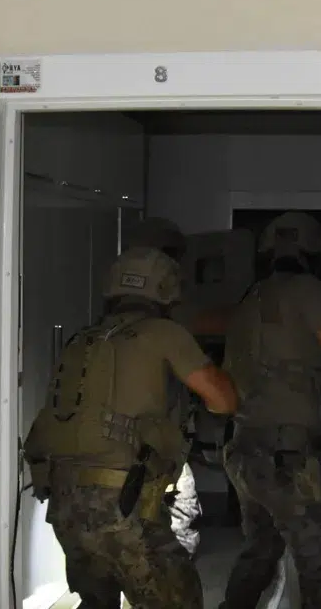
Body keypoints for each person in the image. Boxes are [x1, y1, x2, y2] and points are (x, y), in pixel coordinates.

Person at [22, 246, 238, 608]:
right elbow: (223, 400)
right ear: (167, 290)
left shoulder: (82, 339)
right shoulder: (165, 333)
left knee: (97, 600)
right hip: (121, 504)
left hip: (64, 502)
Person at [219, 211, 321, 609]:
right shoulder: (308, 290)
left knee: (261, 548)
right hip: (287, 451)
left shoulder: (250, 298)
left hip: (245, 447)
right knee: (317, 557)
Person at [123, 215, 205, 558]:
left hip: (120, 448)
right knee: (178, 516)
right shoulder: (167, 328)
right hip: (153, 448)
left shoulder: (104, 329)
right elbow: (220, 397)